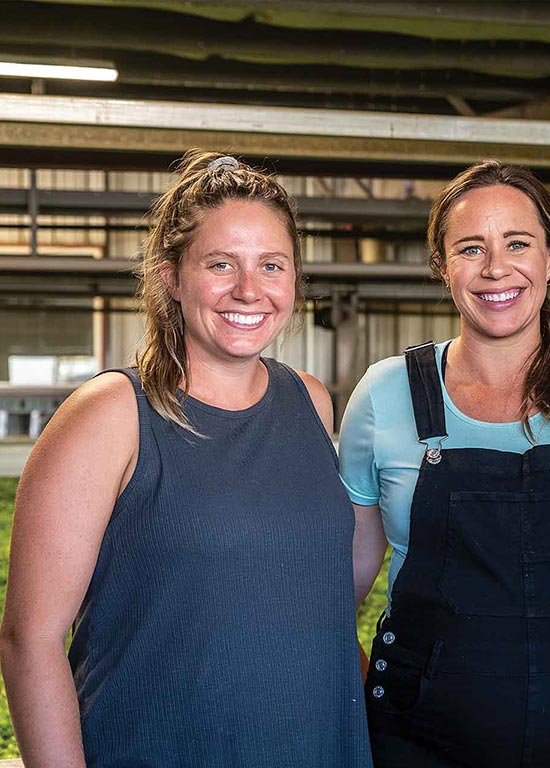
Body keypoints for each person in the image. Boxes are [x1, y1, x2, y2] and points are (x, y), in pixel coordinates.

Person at [0, 151, 371, 767]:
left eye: (271, 266)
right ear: (171, 275)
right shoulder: (111, 414)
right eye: (220, 264)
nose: (248, 290)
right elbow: (27, 641)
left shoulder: (311, 402)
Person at [340, 159, 550, 768]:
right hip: (421, 738)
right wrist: (348, 694)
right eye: (471, 248)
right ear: (442, 267)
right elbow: (344, 585)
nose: (496, 268)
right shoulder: (387, 395)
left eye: (517, 243)